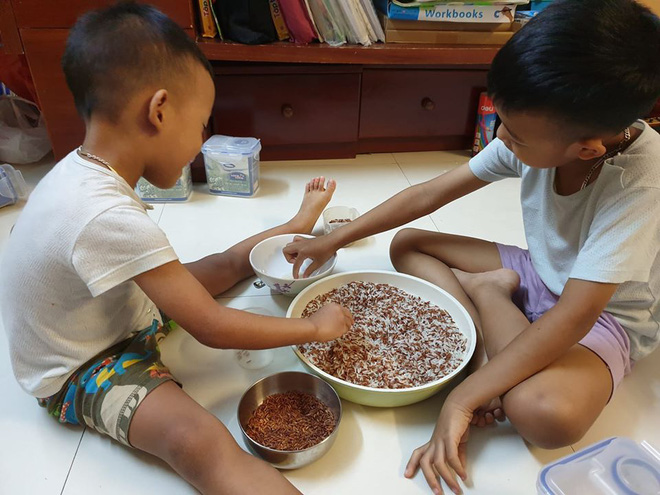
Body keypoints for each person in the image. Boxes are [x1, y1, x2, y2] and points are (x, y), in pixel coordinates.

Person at [283, 0, 660, 492]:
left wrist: (462, 398)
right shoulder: (539, 130)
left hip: (602, 315)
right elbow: (429, 194)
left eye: (515, 136)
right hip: (540, 270)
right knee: (409, 243)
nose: (501, 138)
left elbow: (574, 317)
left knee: (545, 416)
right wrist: (332, 239)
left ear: (586, 149)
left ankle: (488, 294)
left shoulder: (641, 185)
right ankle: (489, 332)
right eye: (502, 120)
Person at [0, 3, 353, 494]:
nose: (202, 140)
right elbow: (211, 328)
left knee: (219, 266)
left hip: (113, 308)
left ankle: (294, 225)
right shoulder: (104, 214)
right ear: (160, 111)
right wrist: (314, 328)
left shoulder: (84, 170)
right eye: (202, 124)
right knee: (195, 441)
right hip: (83, 365)